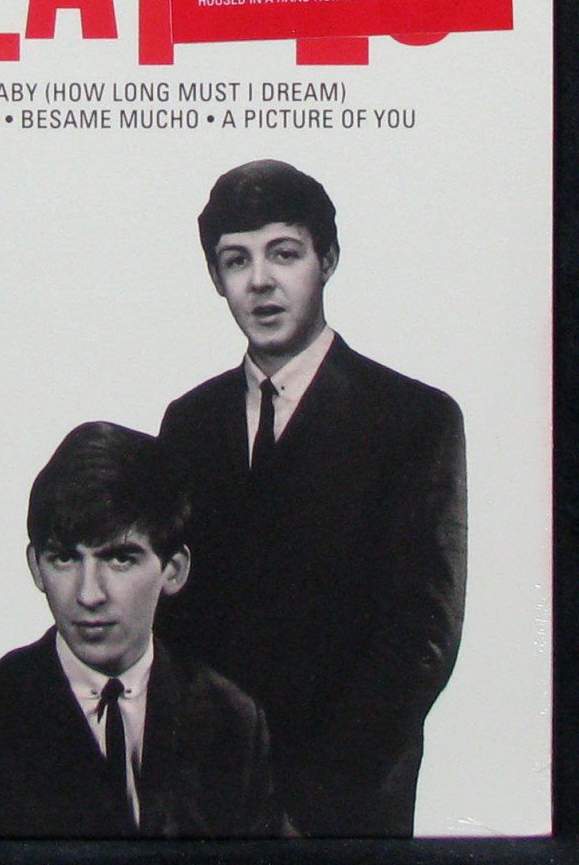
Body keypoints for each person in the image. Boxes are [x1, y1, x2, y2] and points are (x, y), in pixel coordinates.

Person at [156, 159, 467, 835]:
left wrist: (312, 806)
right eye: (236, 260)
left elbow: (420, 639)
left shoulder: (413, 419)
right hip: (209, 802)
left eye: (284, 253)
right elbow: (171, 617)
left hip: (345, 805)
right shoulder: (189, 421)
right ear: (216, 277)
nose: (260, 280)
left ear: (327, 259)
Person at [0, 421, 284, 837]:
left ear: (174, 570)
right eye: (64, 559)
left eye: (119, 559)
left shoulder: (232, 720)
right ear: (36, 568)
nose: (89, 595)